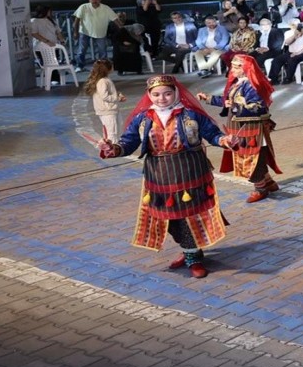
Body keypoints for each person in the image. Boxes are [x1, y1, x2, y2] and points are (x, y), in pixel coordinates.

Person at [97, 75, 238, 279]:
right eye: (156, 94)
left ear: (176, 92)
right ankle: (190, 250)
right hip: (159, 173)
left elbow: (213, 134)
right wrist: (112, 149)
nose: (161, 98)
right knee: (167, 217)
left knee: (189, 215)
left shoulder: (190, 114)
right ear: (149, 95)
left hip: (189, 169)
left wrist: (225, 140)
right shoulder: (143, 118)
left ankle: (192, 256)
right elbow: (128, 143)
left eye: (167, 93)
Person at [196, 53, 282, 202]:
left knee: (251, 158)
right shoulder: (239, 83)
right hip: (239, 127)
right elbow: (228, 101)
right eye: (232, 66)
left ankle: (261, 188)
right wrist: (208, 98)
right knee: (253, 156)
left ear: (246, 68)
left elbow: (258, 107)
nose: (232, 69)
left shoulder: (253, 85)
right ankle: (269, 183)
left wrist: (237, 105)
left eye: (237, 67)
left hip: (250, 129)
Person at [71, 0, 116, 70]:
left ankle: (102, 67)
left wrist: (121, 28)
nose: (94, 1)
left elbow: (115, 18)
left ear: (100, 0)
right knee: (82, 50)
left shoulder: (106, 8)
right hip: (85, 31)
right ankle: (79, 66)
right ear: (89, 0)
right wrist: (75, 32)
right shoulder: (83, 7)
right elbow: (77, 20)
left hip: (100, 32)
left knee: (102, 50)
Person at [86, 59, 125, 141]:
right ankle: (113, 150)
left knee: (116, 129)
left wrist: (117, 95)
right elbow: (105, 96)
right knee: (112, 132)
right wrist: (117, 98)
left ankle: (116, 148)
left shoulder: (104, 79)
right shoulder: (102, 81)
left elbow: (107, 93)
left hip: (110, 109)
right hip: (108, 110)